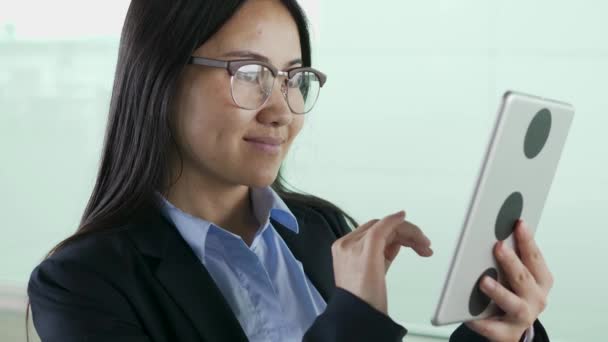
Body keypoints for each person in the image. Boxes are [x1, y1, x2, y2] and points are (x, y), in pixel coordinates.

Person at [26, 1, 553, 341]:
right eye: (250, 74)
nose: (281, 108)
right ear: (160, 78)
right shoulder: (81, 285)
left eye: (294, 78)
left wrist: (497, 331)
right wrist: (355, 317)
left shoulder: (320, 231)